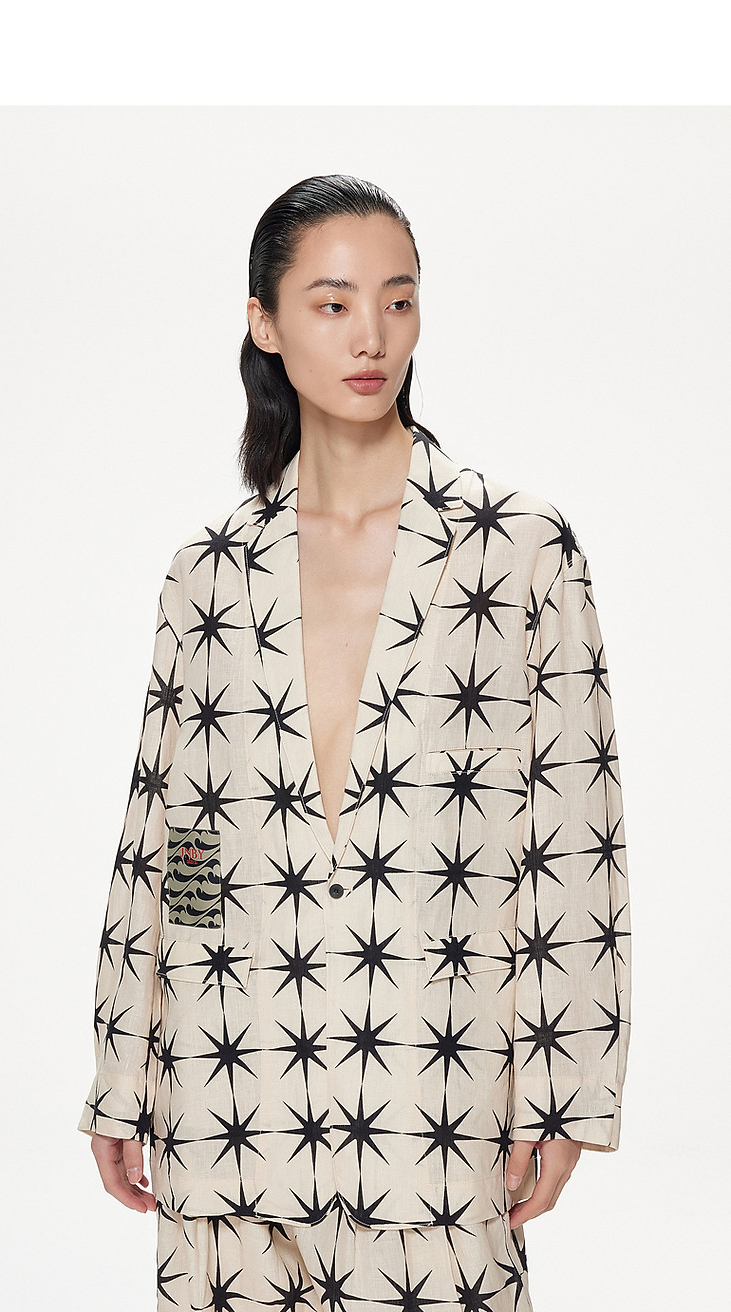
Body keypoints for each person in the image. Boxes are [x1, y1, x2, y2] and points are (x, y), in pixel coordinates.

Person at [77, 174, 632, 1312]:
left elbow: (574, 835)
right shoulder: (209, 573)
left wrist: (567, 1091)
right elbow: (174, 842)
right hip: (230, 1102)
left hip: (439, 1100)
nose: (371, 335)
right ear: (266, 323)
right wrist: (128, 1067)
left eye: (398, 299)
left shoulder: (517, 551)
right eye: (332, 304)